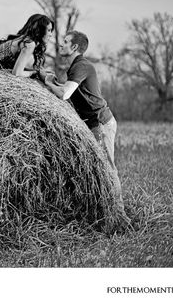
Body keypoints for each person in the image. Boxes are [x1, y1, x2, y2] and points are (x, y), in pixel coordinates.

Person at [43, 30, 131, 230]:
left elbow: (65, 94)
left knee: (108, 169)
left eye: (65, 42)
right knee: (99, 167)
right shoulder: (76, 66)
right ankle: (101, 212)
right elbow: (69, 89)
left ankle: (120, 217)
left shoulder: (81, 66)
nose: (61, 45)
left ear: (75, 47)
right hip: (92, 124)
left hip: (100, 123)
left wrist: (49, 83)